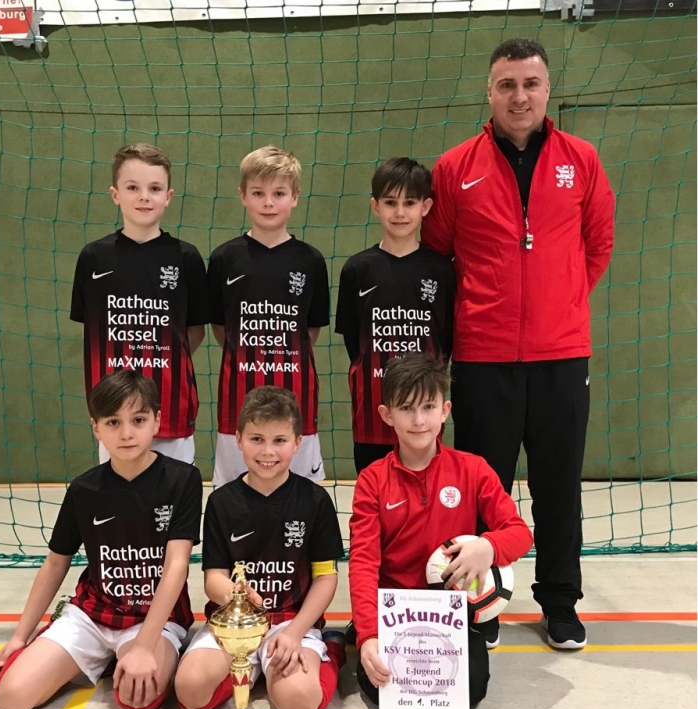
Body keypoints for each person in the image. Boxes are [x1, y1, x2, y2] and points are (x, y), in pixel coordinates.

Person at [421, 38, 615, 650]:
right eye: (507, 84)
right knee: (483, 490)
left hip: (563, 355)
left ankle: (559, 604)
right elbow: (439, 255)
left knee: (559, 486)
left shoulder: (581, 160)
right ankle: (481, 605)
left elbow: (598, 243)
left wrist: (560, 302)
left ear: (548, 89)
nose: (519, 96)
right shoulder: (455, 167)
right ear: (490, 92)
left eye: (530, 83)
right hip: (483, 358)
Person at [0, 370, 202, 709]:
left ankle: (130, 654)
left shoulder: (182, 480)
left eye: (138, 420)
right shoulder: (84, 490)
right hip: (92, 615)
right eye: (113, 422)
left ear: (156, 421)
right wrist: (19, 636)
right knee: (11, 698)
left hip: (153, 619)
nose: (127, 433)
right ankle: (91, 652)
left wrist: (144, 647)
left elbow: (177, 565)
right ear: (96, 428)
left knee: (138, 698)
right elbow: (55, 562)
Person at [348, 354, 532, 708]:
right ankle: (358, 632)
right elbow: (363, 562)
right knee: (381, 690)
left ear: (445, 410)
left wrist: (488, 547)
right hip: (395, 611)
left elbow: (520, 533)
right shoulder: (372, 480)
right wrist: (369, 635)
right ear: (387, 415)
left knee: (469, 690)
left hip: (450, 611)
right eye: (406, 408)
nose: (419, 420)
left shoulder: (473, 470)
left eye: (428, 407)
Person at [174, 386, 346, 709]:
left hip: (291, 622)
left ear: (298, 442)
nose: (268, 451)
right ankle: (250, 670)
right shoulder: (221, 502)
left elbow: (326, 578)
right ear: (238, 439)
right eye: (257, 439)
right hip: (234, 622)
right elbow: (213, 578)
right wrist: (236, 595)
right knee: (190, 691)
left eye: (279, 440)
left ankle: (330, 653)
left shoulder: (315, 501)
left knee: (298, 701)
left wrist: (295, 632)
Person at [71, 143, 210, 466]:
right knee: (119, 492)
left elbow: (195, 331)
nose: (144, 197)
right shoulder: (93, 257)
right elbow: (93, 332)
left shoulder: (186, 258)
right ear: (115, 194)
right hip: (114, 411)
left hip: (172, 407)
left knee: (173, 490)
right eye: (133, 187)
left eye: (154, 188)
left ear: (168, 196)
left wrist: (160, 356)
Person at [207, 145, 331, 487]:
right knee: (234, 492)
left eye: (279, 194)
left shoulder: (311, 261)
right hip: (237, 399)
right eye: (258, 193)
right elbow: (220, 328)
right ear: (243, 196)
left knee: (301, 494)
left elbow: (311, 330)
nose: (268, 203)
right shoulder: (224, 258)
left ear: (295, 197)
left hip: (298, 397)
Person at [335, 157, 455, 474]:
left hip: (423, 417)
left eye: (409, 202)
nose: (400, 212)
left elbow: (446, 341)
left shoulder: (442, 270)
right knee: (375, 490)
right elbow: (353, 342)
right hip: (372, 412)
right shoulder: (357, 269)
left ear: (425, 207)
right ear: (376, 206)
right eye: (390, 202)